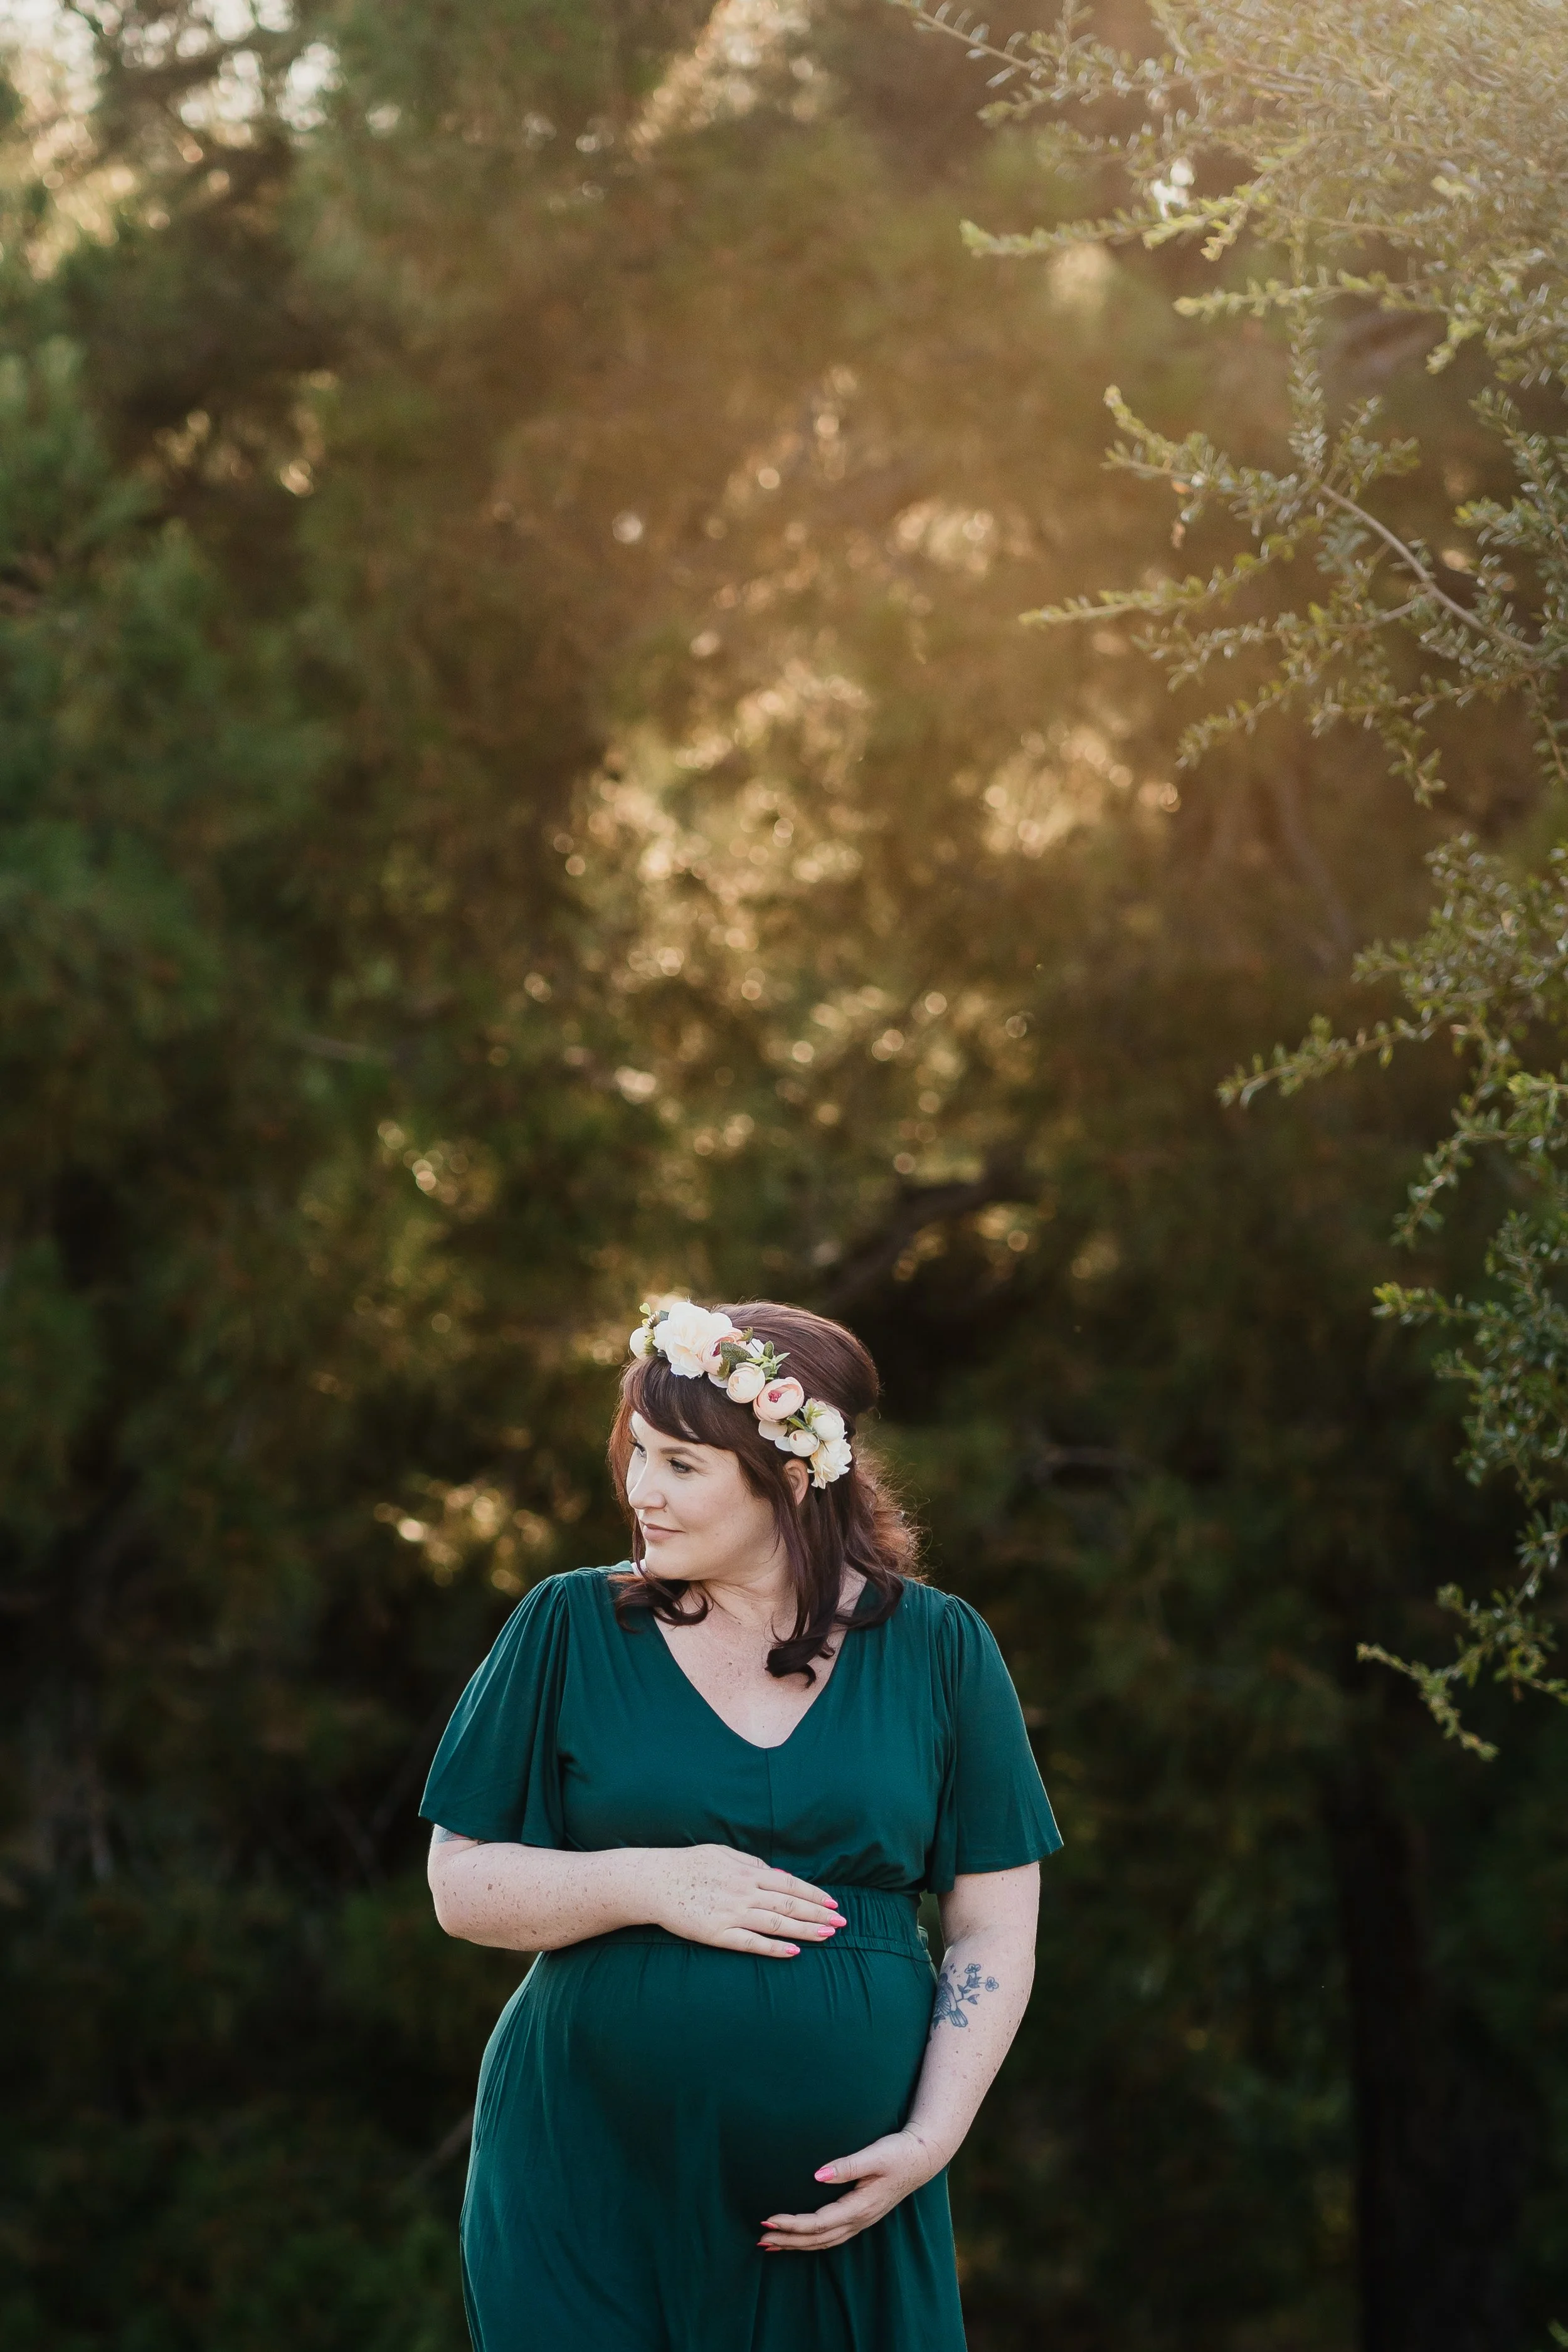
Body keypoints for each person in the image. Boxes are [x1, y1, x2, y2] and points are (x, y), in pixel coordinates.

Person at [422, 1297, 1062, 2352]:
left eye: (682, 1465)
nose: (640, 1492)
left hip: (837, 2207)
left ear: (792, 1476)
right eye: (638, 1454)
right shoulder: (568, 1625)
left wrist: (931, 2138)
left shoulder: (942, 1650)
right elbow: (461, 1884)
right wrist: (652, 1885)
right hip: (586, 2178)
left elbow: (994, 1927)